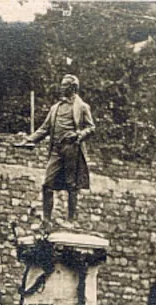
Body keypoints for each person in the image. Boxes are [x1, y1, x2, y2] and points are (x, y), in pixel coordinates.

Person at [22, 74, 95, 223]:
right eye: (61, 85)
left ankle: (71, 220)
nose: (61, 88)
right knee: (47, 184)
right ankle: (46, 220)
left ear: (73, 88)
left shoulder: (82, 107)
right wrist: (30, 140)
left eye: (65, 85)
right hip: (56, 150)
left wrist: (79, 135)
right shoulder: (55, 108)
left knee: (71, 185)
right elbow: (44, 129)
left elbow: (91, 128)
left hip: (72, 149)